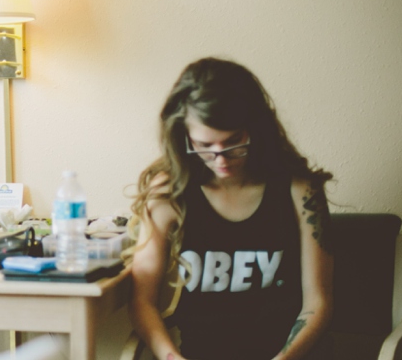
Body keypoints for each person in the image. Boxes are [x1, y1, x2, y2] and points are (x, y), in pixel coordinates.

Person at [124, 57, 334, 360]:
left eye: (234, 142)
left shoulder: (300, 191)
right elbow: (142, 301)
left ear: (255, 129)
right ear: (183, 135)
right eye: (204, 145)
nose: (221, 159)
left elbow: (318, 302)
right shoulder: (168, 193)